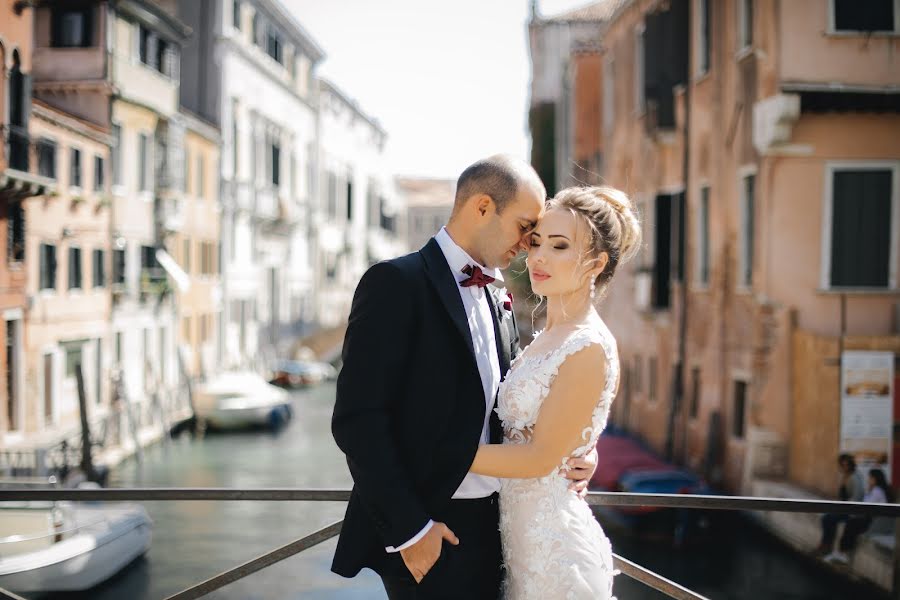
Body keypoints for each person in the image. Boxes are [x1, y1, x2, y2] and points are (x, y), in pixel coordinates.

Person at [331, 155, 599, 599]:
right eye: (524, 225)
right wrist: (412, 532)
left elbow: (511, 407)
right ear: (481, 207)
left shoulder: (499, 297)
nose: (529, 242)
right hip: (429, 530)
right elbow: (357, 421)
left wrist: (573, 453)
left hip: (501, 528)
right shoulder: (395, 283)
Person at [468, 184, 641, 599]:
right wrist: (584, 449)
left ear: (596, 262)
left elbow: (540, 458)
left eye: (560, 246)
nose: (539, 258)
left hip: (559, 557)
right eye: (537, 242)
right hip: (522, 548)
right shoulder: (549, 336)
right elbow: (550, 433)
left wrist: (437, 455)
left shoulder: (588, 346)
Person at [824, 468, 894, 564]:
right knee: (851, 523)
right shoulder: (875, 490)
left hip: (874, 521)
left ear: (875, 479)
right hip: (870, 518)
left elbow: (867, 506)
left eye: (870, 478)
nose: (868, 480)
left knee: (851, 524)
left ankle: (841, 553)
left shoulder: (877, 491)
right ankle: (840, 552)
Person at [816, 453, 865, 556]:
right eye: (842, 465)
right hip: (844, 508)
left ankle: (827, 545)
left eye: (846, 465)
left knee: (828, 518)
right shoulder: (844, 476)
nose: (844, 467)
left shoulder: (855, 478)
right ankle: (826, 544)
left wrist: (845, 506)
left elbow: (857, 498)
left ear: (851, 465)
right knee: (826, 517)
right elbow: (842, 495)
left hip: (853, 511)